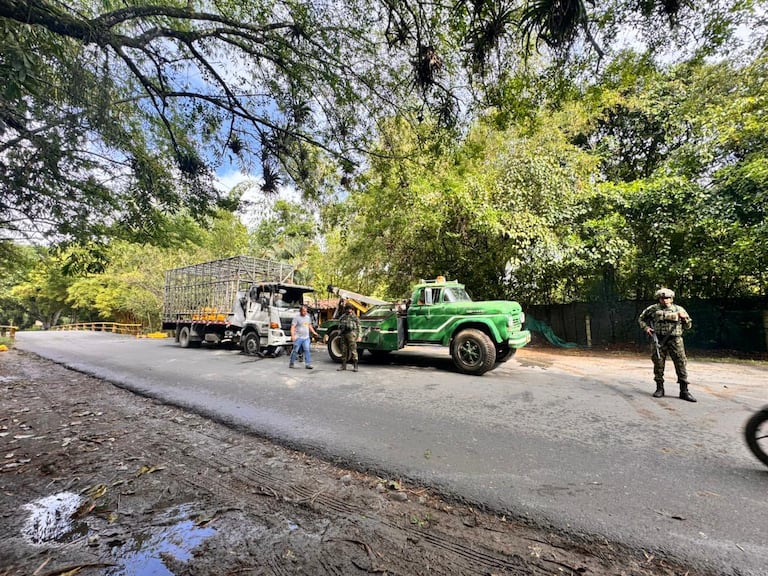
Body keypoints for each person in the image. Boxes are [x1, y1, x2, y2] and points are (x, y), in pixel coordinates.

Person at [637, 288, 696, 402]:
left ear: (672, 298)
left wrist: (684, 319)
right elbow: (641, 319)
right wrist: (646, 328)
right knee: (658, 364)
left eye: (668, 298)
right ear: (659, 299)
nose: (665, 300)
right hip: (658, 339)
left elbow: (688, 326)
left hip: (675, 340)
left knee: (680, 364)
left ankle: (684, 390)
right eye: (663, 298)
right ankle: (660, 388)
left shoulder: (679, 309)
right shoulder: (653, 309)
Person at [289, 305, 319, 369]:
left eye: (306, 311)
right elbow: (293, 327)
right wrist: (293, 336)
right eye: (303, 311)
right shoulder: (296, 318)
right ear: (300, 311)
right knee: (295, 350)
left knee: (307, 350)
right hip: (298, 337)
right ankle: (291, 363)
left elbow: (309, 325)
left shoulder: (307, 317)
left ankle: (308, 364)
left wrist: (314, 332)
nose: (305, 313)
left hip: (306, 337)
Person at [337, 303, 361, 372]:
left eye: (350, 309)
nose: (349, 310)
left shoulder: (354, 317)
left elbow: (359, 327)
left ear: (352, 309)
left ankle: (355, 366)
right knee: (343, 350)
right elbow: (339, 325)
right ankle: (343, 365)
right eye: (347, 309)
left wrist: (359, 336)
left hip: (351, 334)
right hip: (343, 334)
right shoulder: (343, 316)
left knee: (353, 350)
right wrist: (339, 332)